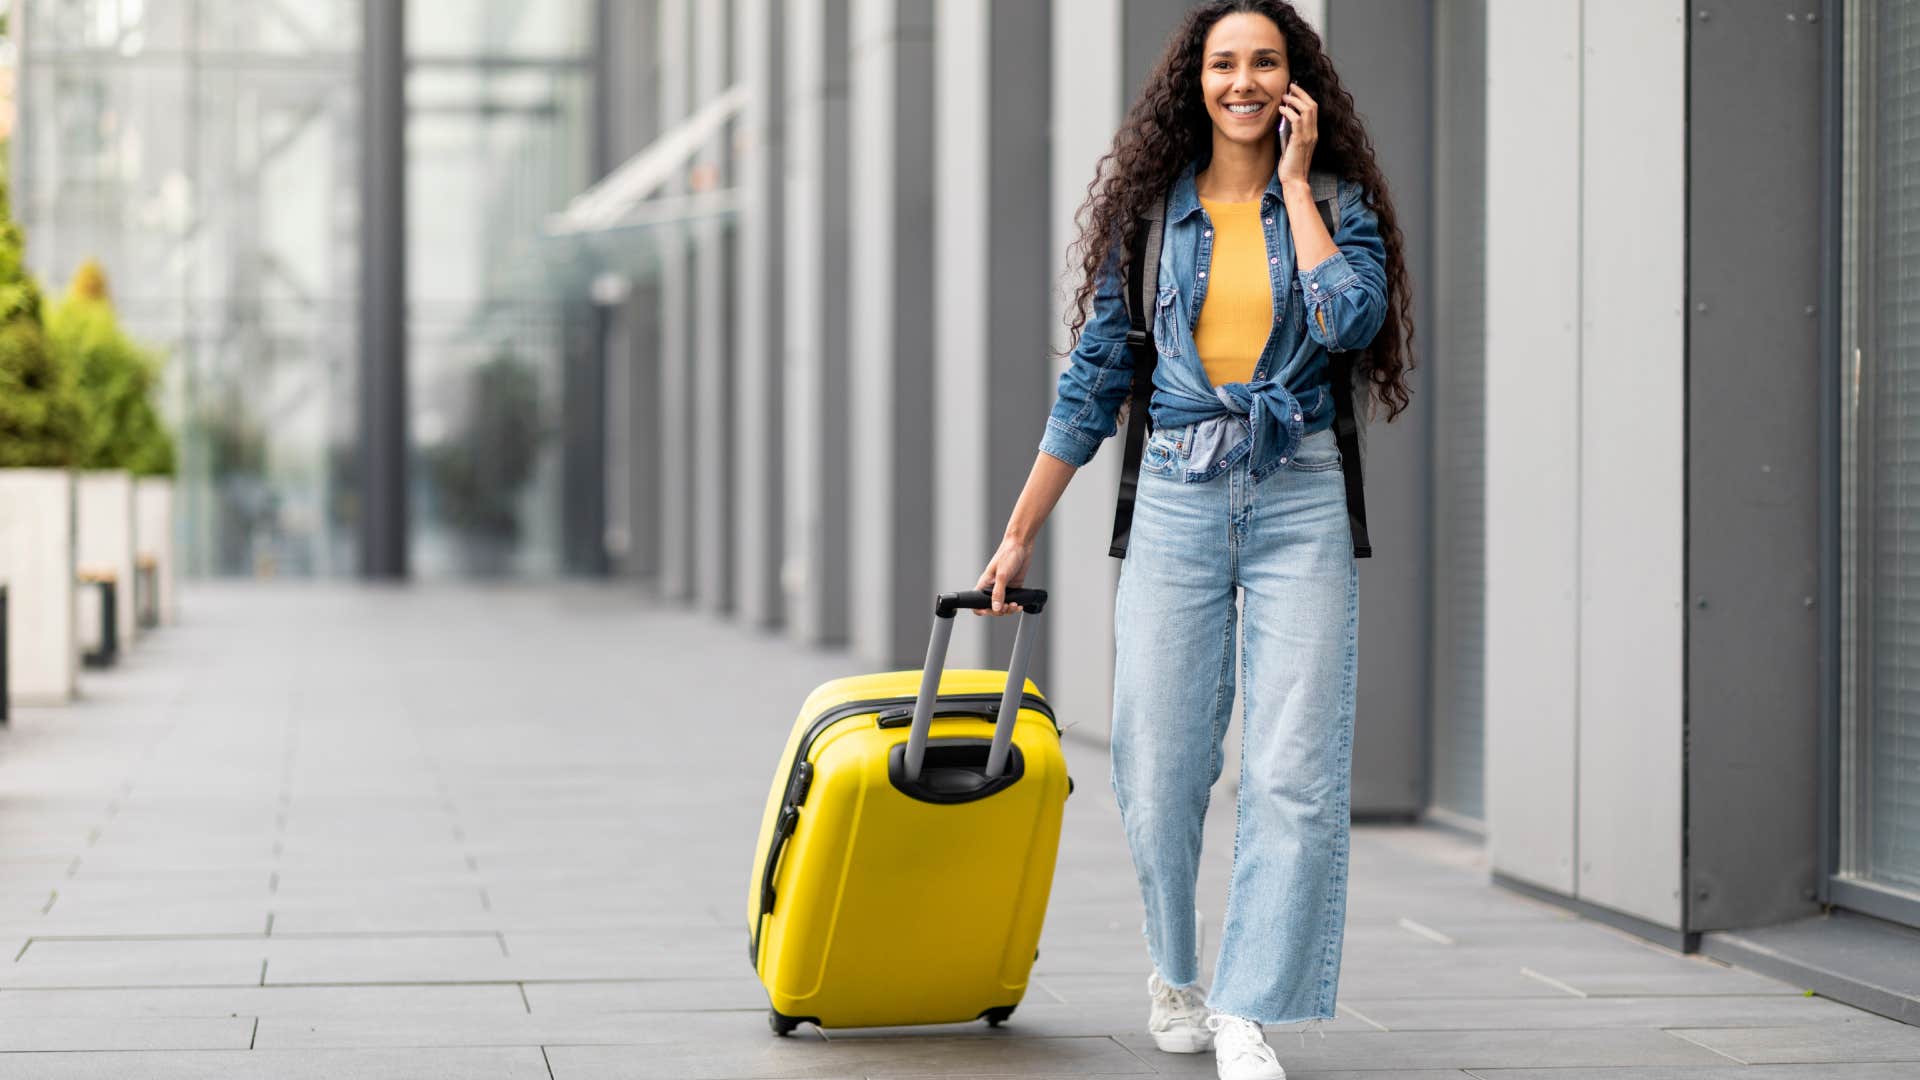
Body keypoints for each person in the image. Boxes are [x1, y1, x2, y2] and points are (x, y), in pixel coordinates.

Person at [972, 3, 1415, 1078]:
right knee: (1160, 764)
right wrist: (1020, 531)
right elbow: (1091, 385)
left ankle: (1247, 1008)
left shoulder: (1339, 204)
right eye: (1226, 62)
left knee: (1293, 771)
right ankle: (1178, 970)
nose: (1245, 80)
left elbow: (1351, 322)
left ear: (1296, 80)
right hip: (1172, 492)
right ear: (1196, 79)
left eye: (1266, 60)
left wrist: (1299, 189)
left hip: (1298, 491)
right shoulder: (1149, 215)